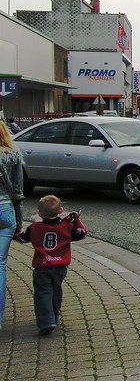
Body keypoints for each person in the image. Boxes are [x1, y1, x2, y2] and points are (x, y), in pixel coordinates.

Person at [14, 195, 88, 336]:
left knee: (43, 293)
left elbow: (22, 238)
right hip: (60, 267)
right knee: (56, 291)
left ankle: (46, 321)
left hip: (42, 267)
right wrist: (76, 221)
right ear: (60, 210)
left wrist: (14, 233)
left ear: (39, 214)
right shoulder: (67, 227)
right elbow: (82, 234)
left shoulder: (35, 227)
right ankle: (54, 315)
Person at [0, 118, 25, 332]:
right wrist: (19, 223)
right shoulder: (12, 153)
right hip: (5, 209)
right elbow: (18, 192)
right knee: (0, 266)